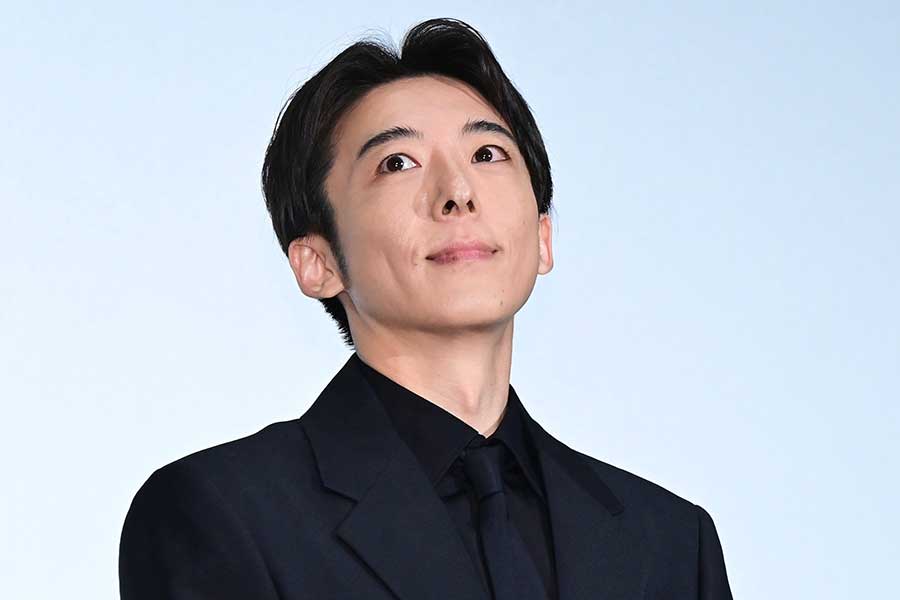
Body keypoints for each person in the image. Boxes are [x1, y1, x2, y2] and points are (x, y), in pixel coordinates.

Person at [118, 17, 734, 600]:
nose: (457, 192)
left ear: (543, 237)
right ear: (317, 261)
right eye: (397, 163)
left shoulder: (672, 540)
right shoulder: (222, 514)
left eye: (488, 154)